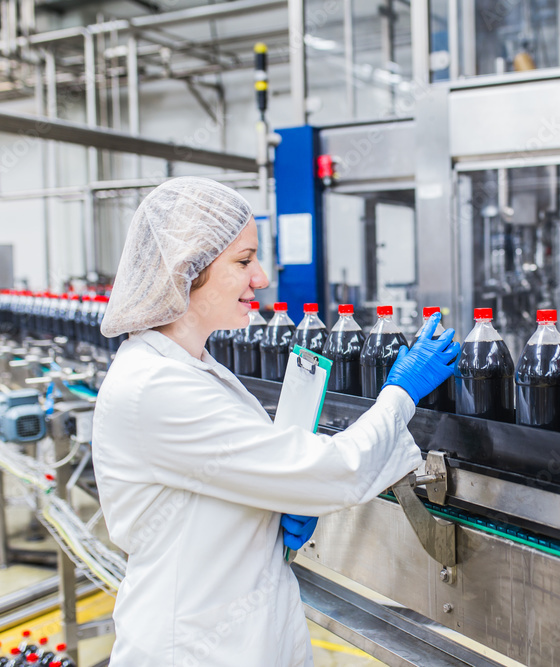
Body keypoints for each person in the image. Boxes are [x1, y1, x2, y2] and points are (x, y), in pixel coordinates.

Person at [91, 177, 458, 666]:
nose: (261, 278)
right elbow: (336, 470)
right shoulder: (156, 387)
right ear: (187, 268)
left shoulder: (193, 366)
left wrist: (271, 507)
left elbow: (244, 468)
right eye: (243, 261)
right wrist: (400, 393)